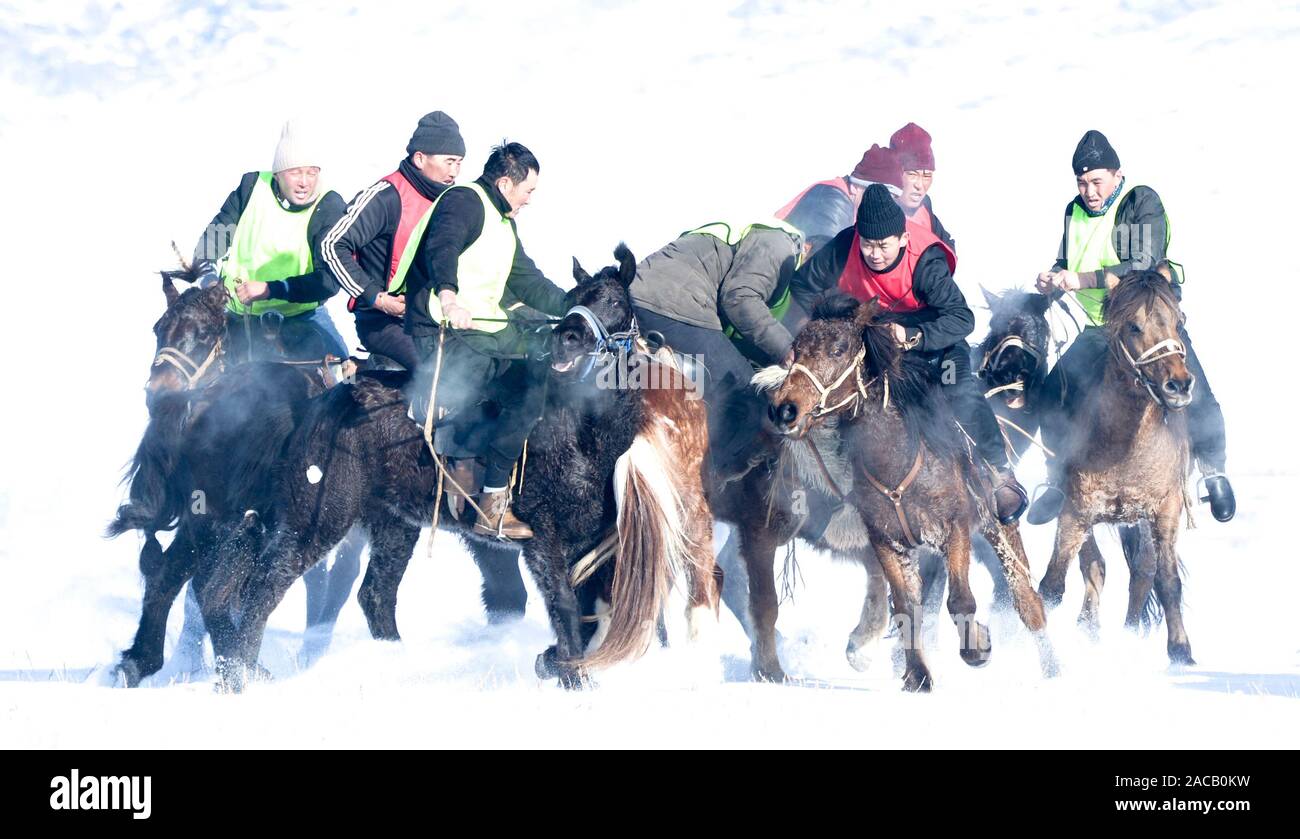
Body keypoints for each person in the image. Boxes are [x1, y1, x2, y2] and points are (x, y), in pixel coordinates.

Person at [1030, 129, 1234, 523]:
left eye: (1096, 181)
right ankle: (1058, 479)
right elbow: (1067, 260)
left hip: (1150, 316)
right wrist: (1053, 277)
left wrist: (1082, 279)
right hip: (1102, 327)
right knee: (1053, 391)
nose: (1088, 190)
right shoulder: (1073, 211)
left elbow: (1141, 264)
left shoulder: (1139, 201)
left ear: (1116, 174)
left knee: (1195, 385)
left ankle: (1214, 471)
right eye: (1082, 182)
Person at [792, 184, 1027, 523]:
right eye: (868, 244)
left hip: (935, 343)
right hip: (873, 343)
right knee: (841, 395)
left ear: (902, 239)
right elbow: (802, 286)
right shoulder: (845, 245)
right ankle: (839, 488)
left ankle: (1001, 474)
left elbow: (962, 318)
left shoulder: (925, 261)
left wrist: (913, 335)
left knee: (956, 391)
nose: (873, 254)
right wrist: (813, 330)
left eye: (882, 246)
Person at [404, 141, 569, 540]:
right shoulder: (464, 201)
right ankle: (460, 462)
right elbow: (441, 248)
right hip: (447, 330)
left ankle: (495, 498)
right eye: (528, 191)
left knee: (535, 380)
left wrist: (578, 306)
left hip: (488, 330)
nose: (530, 200)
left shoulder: (504, 223)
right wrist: (448, 295)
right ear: (505, 183)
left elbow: (527, 281)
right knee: (491, 377)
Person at [627, 217, 804, 478]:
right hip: (675, 304)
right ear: (807, 248)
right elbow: (739, 298)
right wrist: (786, 349)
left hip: (645, 295)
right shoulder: (781, 244)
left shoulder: (751, 230)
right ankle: (710, 484)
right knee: (747, 395)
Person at [321, 111, 466, 374]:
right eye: (449, 162)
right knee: (440, 376)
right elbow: (332, 244)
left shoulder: (454, 201)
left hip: (431, 319)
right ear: (420, 158)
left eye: (459, 163)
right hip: (383, 322)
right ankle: (362, 372)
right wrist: (375, 297)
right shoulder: (386, 197)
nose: (454, 172)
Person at [193, 119, 349, 361]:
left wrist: (270, 289)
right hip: (239, 316)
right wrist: (210, 282)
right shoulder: (251, 187)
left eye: (312, 172)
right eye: (295, 172)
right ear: (277, 174)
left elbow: (329, 280)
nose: (304, 182)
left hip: (301, 317)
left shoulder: (329, 206)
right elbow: (211, 241)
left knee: (345, 373)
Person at [775, 143, 906, 250]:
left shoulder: (851, 204)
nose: (884, 203)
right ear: (855, 187)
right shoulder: (832, 200)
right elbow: (826, 265)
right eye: (878, 193)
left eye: (892, 198)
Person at [889, 122, 955, 251]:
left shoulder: (924, 208)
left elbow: (948, 247)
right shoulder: (871, 210)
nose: (919, 185)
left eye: (926, 176)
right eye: (912, 174)